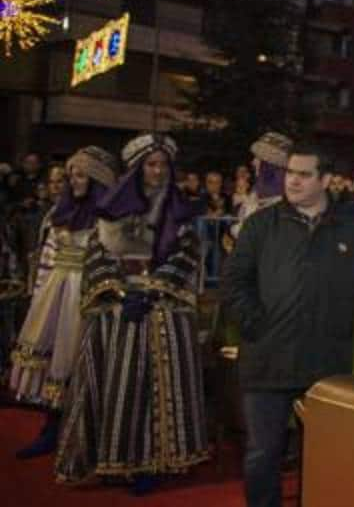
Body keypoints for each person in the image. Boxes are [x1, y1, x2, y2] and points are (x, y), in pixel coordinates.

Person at [223, 143, 354, 507]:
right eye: (290, 173)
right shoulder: (261, 225)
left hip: (325, 363)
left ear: (325, 180)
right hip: (267, 359)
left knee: (320, 458)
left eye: (304, 174)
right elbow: (234, 282)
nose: (293, 181)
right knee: (262, 454)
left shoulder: (351, 227)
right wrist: (255, 324)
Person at [54, 134, 209, 493]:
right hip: (117, 312)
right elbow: (97, 255)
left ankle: (155, 462)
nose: (157, 172)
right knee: (118, 384)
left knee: (157, 386)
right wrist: (120, 292)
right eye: (150, 165)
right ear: (137, 169)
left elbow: (187, 255)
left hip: (163, 310)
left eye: (162, 165)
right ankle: (114, 459)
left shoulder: (180, 210)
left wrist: (154, 289)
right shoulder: (110, 209)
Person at [9, 147, 118, 459]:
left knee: (80, 364)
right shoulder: (60, 211)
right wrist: (40, 295)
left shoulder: (108, 217)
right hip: (56, 293)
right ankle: (51, 429)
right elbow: (47, 256)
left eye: (80, 174)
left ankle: (87, 437)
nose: (73, 180)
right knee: (54, 361)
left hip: (87, 294)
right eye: (72, 174)